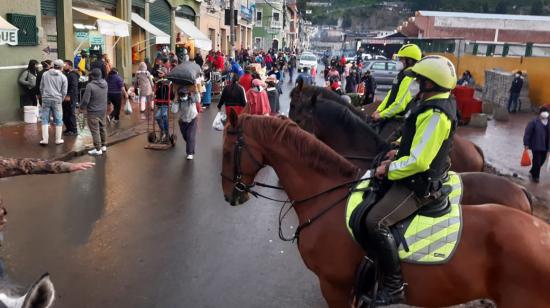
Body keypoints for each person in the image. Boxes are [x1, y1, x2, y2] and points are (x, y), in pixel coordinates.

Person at [360, 55, 458, 305]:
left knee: (376, 220)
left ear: (431, 84)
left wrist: (389, 169)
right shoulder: (431, 103)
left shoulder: (436, 113)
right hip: (413, 175)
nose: (415, 83)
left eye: (420, 80)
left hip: (419, 185)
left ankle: (393, 286)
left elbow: (419, 161)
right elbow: (415, 141)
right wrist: (398, 150)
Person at [372, 44, 422, 122]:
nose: (398, 61)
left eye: (401, 59)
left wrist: (381, 115)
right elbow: (391, 94)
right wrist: (379, 110)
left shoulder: (409, 77)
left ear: (409, 61)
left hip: (399, 119)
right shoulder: (403, 74)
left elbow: (400, 104)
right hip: (390, 115)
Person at [80, 68, 108, 156]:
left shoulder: (90, 86)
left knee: (95, 130)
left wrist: (81, 108)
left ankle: (98, 149)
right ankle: (103, 146)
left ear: (92, 76)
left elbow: (85, 100)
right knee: (102, 127)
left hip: (93, 111)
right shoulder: (105, 83)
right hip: (103, 110)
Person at [39, 59, 68, 146]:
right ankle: (58, 139)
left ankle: (45, 140)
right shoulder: (63, 77)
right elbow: (64, 91)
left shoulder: (45, 74)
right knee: (58, 119)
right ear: (61, 67)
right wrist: (61, 99)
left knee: (44, 119)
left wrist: (43, 95)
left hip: (46, 98)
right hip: (57, 99)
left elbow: (41, 87)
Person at [523, 107, 550, 183]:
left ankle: (533, 170)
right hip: (536, 145)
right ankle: (536, 177)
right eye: (544, 112)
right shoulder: (534, 122)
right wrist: (526, 144)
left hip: (545, 146)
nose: (545, 113)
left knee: (542, 161)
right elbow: (527, 134)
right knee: (537, 161)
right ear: (540, 113)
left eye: (547, 112)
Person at [176, 87, 199, 160]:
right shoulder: (178, 101)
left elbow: (198, 99)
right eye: (181, 95)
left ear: (187, 94)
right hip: (183, 121)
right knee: (185, 136)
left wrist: (196, 91)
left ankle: (190, 153)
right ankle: (191, 144)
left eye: (184, 95)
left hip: (192, 119)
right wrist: (175, 101)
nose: (183, 97)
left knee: (190, 136)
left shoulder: (191, 98)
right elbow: (174, 110)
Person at [154, 67, 173, 142]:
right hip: (159, 102)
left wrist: (164, 84)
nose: (159, 74)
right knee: (162, 117)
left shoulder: (168, 82)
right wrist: (157, 85)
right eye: (158, 73)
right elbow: (156, 93)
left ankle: (165, 132)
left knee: (159, 116)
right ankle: (164, 131)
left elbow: (171, 93)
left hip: (165, 102)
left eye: (161, 73)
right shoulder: (158, 82)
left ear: (165, 74)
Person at [62, 60, 80, 135]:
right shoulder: (67, 74)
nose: (63, 66)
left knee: (70, 113)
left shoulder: (73, 75)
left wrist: (69, 95)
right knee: (66, 113)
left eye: (65, 65)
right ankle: (69, 128)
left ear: (69, 65)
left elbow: (74, 86)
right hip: (66, 96)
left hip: (70, 97)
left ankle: (73, 130)